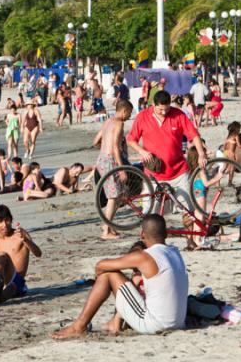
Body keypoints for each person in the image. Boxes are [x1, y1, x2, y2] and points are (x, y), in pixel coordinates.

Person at [52, 214, 188, 338]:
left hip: (155, 324)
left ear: (142, 234)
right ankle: (112, 321)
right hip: (178, 322)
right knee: (117, 278)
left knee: (109, 274)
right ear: (166, 234)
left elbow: (100, 266)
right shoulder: (175, 253)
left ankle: (79, 326)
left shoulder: (145, 257)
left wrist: (104, 280)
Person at [127, 90, 206, 216]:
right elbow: (131, 139)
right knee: (150, 214)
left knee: (188, 212)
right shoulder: (142, 116)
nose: (164, 112)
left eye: (167, 109)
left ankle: (191, 236)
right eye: (160, 110)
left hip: (179, 172)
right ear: (153, 104)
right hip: (153, 174)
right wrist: (142, 151)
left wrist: (201, 154)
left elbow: (194, 135)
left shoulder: (178, 115)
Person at [93, 100, 133, 239]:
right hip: (111, 161)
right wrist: (121, 169)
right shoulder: (119, 123)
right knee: (113, 196)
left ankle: (108, 225)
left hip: (102, 159)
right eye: (129, 113)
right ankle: (106, 232)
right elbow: (115, 147)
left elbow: (95, 141)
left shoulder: (108, 121)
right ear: (124, 111)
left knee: (120, 193)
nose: (129, 116)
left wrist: (104, 148)